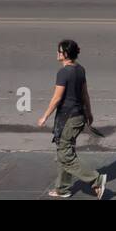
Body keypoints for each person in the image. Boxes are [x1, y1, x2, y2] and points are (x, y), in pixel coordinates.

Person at [37, 39, 106, 199]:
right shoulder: (80, 69)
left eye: (59, 51)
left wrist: (44, 116)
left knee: (65, 154)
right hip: (78, 116)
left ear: (65, 54)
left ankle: (96, 179)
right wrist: (89, 113)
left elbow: (57, 98)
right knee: (65, 150)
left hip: (68, 117)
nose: (57, 53)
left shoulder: (64, 72)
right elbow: (85, 94)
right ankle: (62, 189)